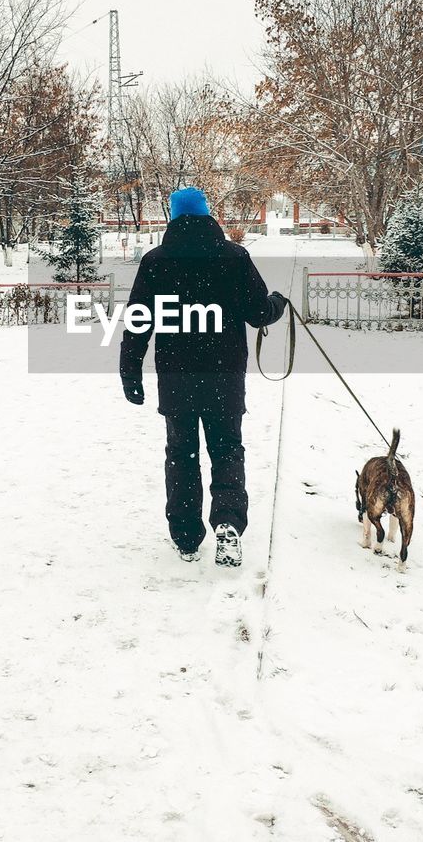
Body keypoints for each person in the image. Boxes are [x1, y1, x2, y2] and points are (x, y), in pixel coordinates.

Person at [119, 187, 287, 566]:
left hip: (177, 377)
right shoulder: (233, 257)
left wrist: (130, 371)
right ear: (208, 215)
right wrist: (278, 303)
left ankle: (186, 537)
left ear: (174, 217)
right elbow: (259, 312)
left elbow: (138, 322)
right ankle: (228, 521)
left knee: (182, 453)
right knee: (227, 448)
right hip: (224, 375)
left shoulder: (156, 262)